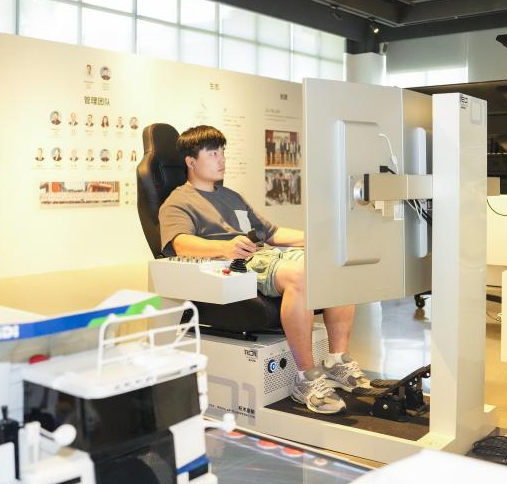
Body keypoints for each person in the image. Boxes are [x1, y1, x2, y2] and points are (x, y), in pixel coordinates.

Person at [158, 125, 371, 415]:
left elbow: (271, 233)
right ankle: (306, 379)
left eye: (222, 152)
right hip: (232, 265)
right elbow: (180, 243)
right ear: (191, 161)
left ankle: (336, 360)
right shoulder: (178, 201)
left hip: (264, 255)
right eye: (213, 153)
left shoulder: (231, 196)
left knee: (333, 261)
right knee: (301, 274)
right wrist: (225, 247)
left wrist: (320, 239)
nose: (222, 159)